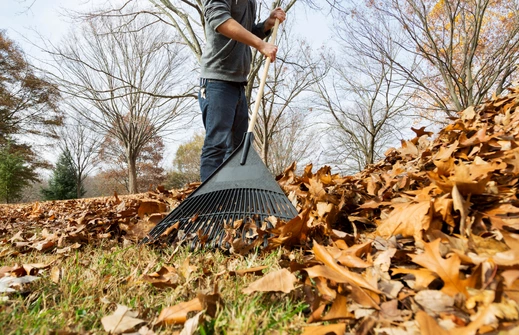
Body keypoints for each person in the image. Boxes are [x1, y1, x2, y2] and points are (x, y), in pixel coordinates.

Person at [199, 0, 286, 182]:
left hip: (238, 82)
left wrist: (267, 24)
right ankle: (209, 205)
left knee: (238, 150)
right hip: (217, 81)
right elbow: (219, 20)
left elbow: (246, 32)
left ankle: (232, 201)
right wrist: (260, 45)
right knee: (217, 146)